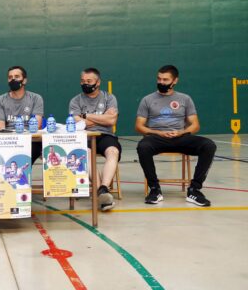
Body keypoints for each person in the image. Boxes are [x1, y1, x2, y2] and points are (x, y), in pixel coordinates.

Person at [136, 65, 216, 207]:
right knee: (143, 146)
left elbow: (195, 125)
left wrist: (181, 132)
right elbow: (139, 126)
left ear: (175, 81)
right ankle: (154, 189)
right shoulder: (147, 100)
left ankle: (194, 190)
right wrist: (158, 132)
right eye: (159, 79)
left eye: (165, 80)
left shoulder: (185, 99)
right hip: (157, 138)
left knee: (208, 145)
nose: (161, 82)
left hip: (180, 137)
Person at [69, 67, 121, 211]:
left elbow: (111, 121)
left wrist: (86, 116)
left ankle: (103, 187)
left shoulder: (109, 98)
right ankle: (101, 193)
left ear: (98, 82)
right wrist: (103, 117)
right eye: (83, 81)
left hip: (105, 135)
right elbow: (77, 122)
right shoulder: (75, 100)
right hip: (84, 136)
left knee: (113, 152)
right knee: (86, 154)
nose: (85, 84)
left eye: (89, 81)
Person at [0, 66, 44, 163]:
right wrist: (14, 141)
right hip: (9, 141)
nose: (13, 79)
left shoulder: (36, 98)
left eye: (16, 76)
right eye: (10, 77)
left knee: (24, 156)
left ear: (24, 80)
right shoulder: (0, 100)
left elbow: (36, 126)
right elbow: (0, 128)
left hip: (31, 140)